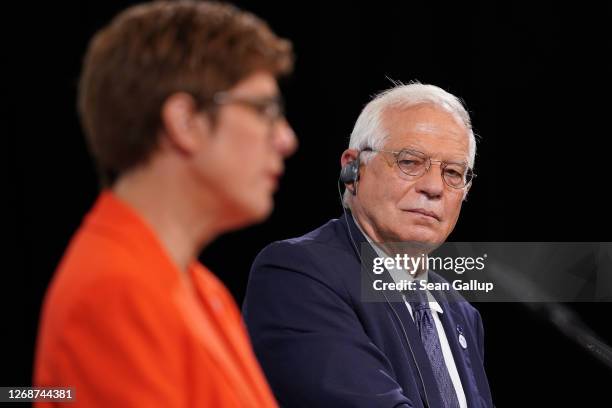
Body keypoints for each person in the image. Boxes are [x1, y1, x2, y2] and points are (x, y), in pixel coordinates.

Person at [34, 1, 297, 406]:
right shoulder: (115, 294)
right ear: (184, 121)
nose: (285, 139)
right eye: (264, 111)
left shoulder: (199, 286)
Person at [243, 83, 494, 407]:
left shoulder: (460, 312)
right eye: (410, 162)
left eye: (452, 172)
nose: (433, 187)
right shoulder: (297, 275)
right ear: (353, 169)